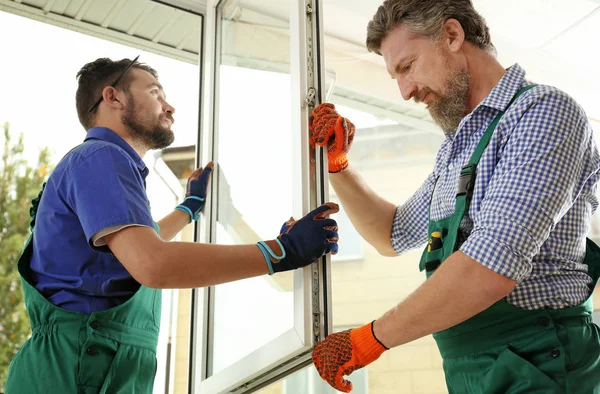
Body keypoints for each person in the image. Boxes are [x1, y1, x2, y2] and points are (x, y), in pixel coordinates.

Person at [310, 1, 600, 393]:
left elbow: (490, 266)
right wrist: (337, 164)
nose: (405, 91)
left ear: (451, 35)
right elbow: (391, 234)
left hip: (542, 365)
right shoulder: (459, 148)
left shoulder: (543, 114)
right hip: (476, 373)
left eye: (407, 67)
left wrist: (368, 339)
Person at [5, 56, 339, 393]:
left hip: (78, 368)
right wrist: (282, 251)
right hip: (70, 372)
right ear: (113, 98)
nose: (170, 107)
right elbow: (152, 263)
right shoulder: (102, 157)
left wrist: (189, 208)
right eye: (155, 93)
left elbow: (133, 249)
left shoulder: (95, 164)